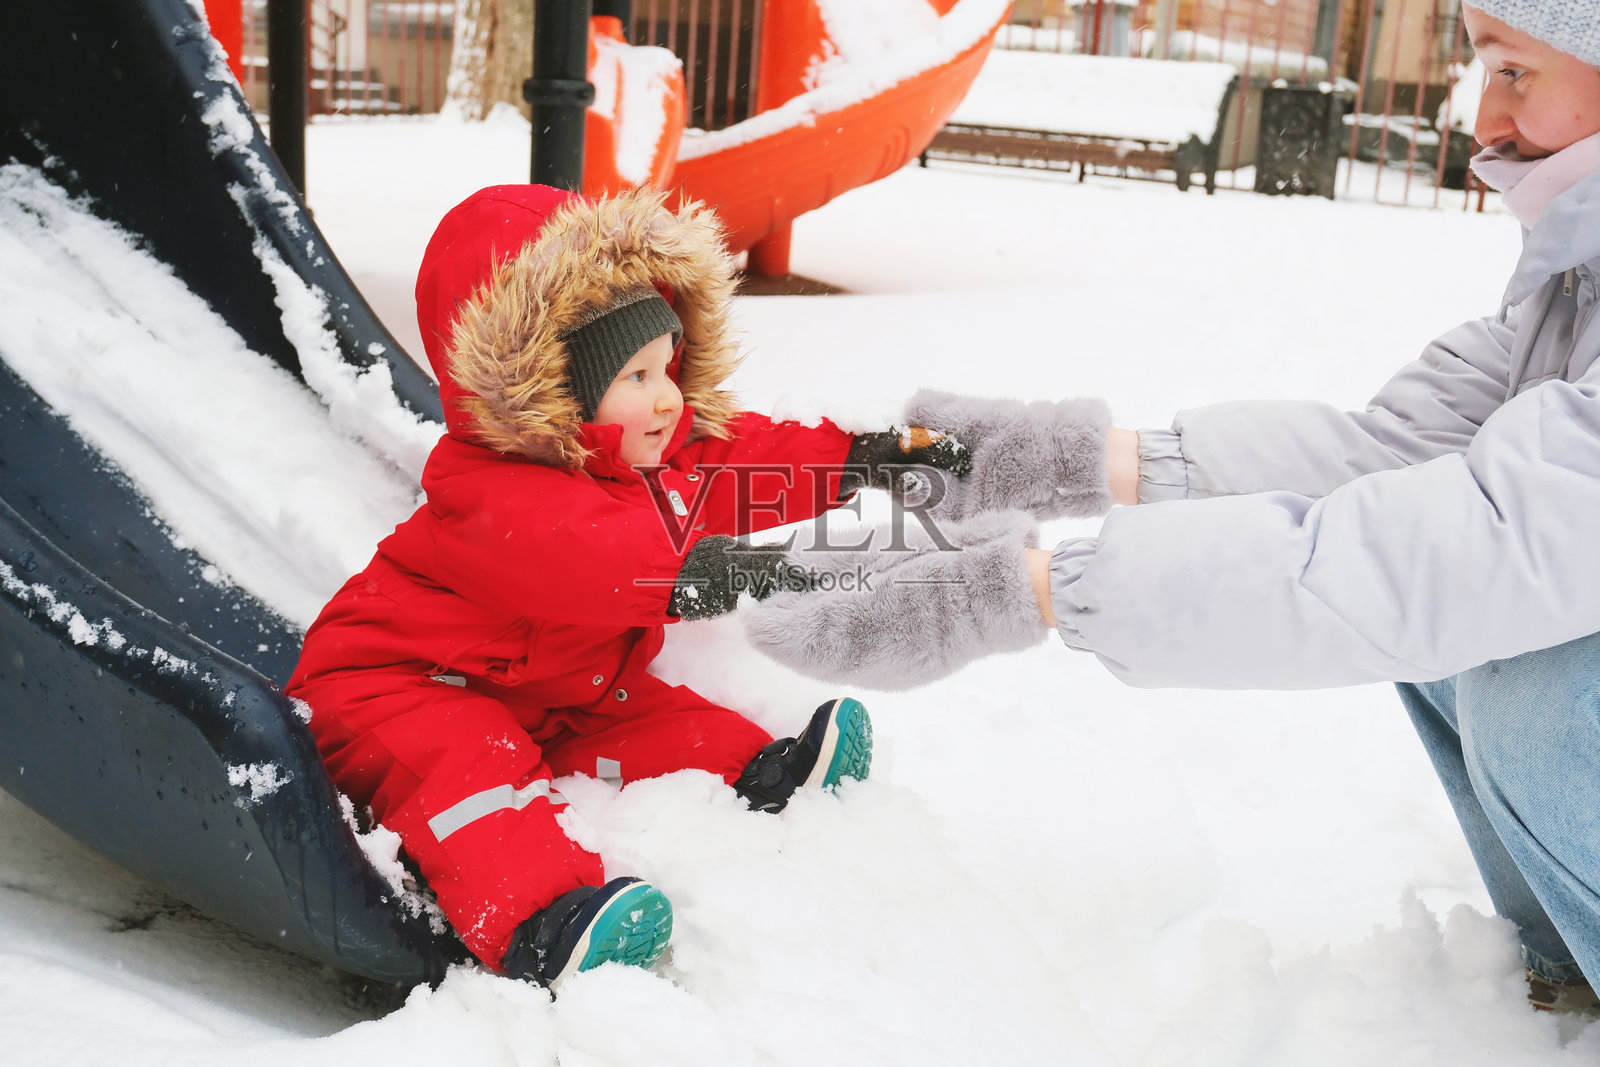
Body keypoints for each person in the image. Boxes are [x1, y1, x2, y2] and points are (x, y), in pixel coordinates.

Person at [742, 0, 1600, 1006]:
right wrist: (1046, 460)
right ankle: (1561, 959)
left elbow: (1462, 555)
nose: (1480, 119)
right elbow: (1387, 459)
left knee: (1522, 676)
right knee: (1476, 642)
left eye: (1513, 74)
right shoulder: (1568, 282)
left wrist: (1015, 592)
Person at [285, 183, 972, 989]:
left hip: (551, 687)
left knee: (642, 711)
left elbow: (739, 463)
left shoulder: (651, 450)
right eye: (637, 374)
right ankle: (543, 922)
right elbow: (590, 552)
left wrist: (858, 459)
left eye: (667, 364)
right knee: (475, 762)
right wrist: (706, 573)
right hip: (398, 691)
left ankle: (759, 771)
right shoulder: (489, 490)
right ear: (551, 390)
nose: (668, 395)